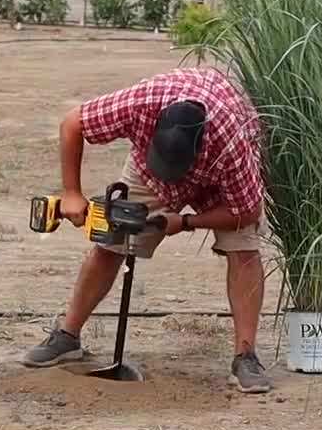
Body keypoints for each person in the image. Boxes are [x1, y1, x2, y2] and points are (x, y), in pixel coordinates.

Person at [21, 68, 273, 393]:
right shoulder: (141, 104)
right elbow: (73, 123)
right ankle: (67, 336)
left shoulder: (232, 140)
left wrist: (185, 222)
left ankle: (246, 356)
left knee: (244, 249)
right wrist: (72, 192)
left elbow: (246, 210)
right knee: (109, 242)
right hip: (145, 175)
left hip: (220, 181)